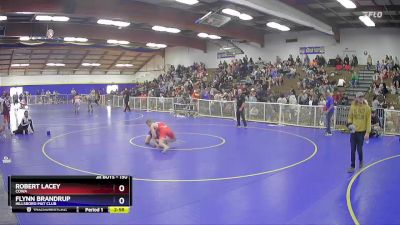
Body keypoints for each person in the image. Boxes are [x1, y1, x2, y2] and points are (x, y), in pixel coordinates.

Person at [347, 92, 371, 173]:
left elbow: (368, 121)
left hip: (361, 132)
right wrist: (350, 124)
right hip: (353, 132)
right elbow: (350, 117)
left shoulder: (367, 108)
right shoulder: (353, 106)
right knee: (352, 150)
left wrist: (367, 132)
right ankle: (352, 165)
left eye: (362, 97)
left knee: (359, 149)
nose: (361, 98)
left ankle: (361, 160)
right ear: (356, 98)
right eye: (359, 97)